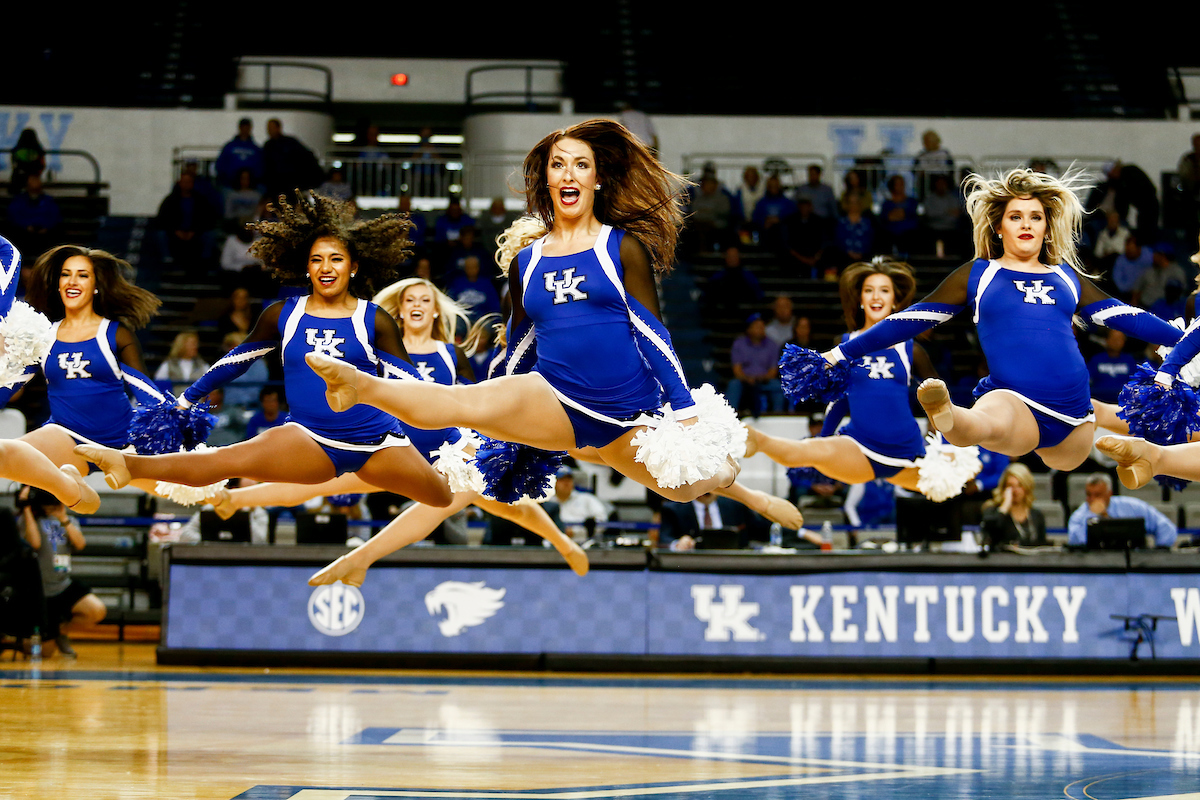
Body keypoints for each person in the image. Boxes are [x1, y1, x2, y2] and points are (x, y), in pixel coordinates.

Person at [301, 119, 741, 502]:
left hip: (627, 413)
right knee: (461, 401)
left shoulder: (619, 248)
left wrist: (684, 410)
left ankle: (727, 471)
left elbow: (651, 333)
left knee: (689, 486)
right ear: (547, 179)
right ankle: (360, 384)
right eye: (558, 164)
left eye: (581, 164)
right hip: (555, 396)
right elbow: (520, 346)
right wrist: (497, 415)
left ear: (597, 179)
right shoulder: (526, 263)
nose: (568, 173)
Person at [74, 192, 453, 512]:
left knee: (442, 496)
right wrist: (188, 399)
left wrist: (454, 430)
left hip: (379, 443)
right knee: (228, 458)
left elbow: (411, 385)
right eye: (317, 259)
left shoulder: (374, 319)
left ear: (353, 267)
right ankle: (130, 464)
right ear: (305, 267)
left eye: (336, 259)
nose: (326, 267)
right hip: (311, 438)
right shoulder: (282, 315)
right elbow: (237, 360)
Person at [220, 277, 589, 580]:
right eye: (409, 298)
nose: (417, 304)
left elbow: (472, 404)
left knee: (502, 503)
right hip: (394, 447)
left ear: (434, 309)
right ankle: (231, 499)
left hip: (450, 450)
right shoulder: (381, 347)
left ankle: (362, 558)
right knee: (320, 479)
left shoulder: (451, 353)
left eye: (425, 299)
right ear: (399, 307)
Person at [823, 168, 1183, 473]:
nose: (1026, 224)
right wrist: (840, 353)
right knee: (989, 421)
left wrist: (1184, 340)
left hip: (1075, 416)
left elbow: (1128, 317)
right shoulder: (979, 275)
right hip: (1016, 401)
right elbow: (909, 320)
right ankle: (946, 413)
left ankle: (1152, 441)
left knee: (1071, 454)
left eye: (1035, 217)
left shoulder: (1067, 277)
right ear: (998, 227)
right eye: (1015, 217)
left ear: (1047, 227)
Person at [0, 243, 170, 512]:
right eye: (66, 274)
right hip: (66, 437)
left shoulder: (114, 333)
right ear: (57, 284)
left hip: (123, 444)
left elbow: (144, 389)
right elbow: (10, 385)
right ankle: (70, 489)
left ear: (96, 285)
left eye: (82, 274)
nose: (72, 281)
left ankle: (228, 498)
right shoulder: (42, 334)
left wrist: (174, 423)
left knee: (196, 491)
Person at [747, 259, 939, 493]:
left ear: (895, 301)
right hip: (860, 448)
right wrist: (825, 437)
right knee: (809, 451)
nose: (876, 297)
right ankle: (757, 439)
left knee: (958, 482)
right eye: (869, 290)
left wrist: (937, 435)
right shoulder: (845, 343)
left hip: (907, 454)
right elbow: (841, 398)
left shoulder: (910, 348)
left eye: (884, 290)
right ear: (860, 300)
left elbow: (940, 398)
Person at [19, 487, 105, 658]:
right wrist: (26, 507)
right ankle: (35, 638)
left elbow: (80, 544)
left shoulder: (69, 520)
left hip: (63, 584)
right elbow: (33, 543)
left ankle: (60, 631)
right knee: (45, 653)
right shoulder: (28, 520)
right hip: (39, 591)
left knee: (96, 610)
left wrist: (63, 518)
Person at [1065, 473, 1175, 548]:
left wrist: (1158, 553)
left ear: (1109, 494)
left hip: (1136, 565)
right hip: (1096, 567)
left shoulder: (1132, 507)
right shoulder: (1078, 517)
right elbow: (1075, 543)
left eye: (1098, 495)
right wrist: (1096, 517)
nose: (1092, 499)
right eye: (1089, 495)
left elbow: (1166, 528)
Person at [155, 172, 219, 269]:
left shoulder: (201, 200)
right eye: (184, 182)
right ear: (179, 183)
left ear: (192, 183)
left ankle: (205, 260)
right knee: (160, 234)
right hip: (175, 233)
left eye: (188, 182)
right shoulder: (170, 200)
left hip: (196, 232)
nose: (186, 184)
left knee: (210, 235)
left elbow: (207, 219)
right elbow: (163, 219)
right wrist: (175, 231)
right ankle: (167, 259)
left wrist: (194, 231)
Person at [978, 463, 1047, 549]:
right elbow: (988, 535)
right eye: (1010, 486)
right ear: (1003, 488)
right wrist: (1004, 507)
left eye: (1020, 485)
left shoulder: (1037, 515)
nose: (1015, 491)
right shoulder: (992, 511)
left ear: (1027, 487)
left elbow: (1042, 546)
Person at [726, 313, 783, 416]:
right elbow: (737, 370)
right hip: (744, 380)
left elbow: (773, 371)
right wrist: (747, 379)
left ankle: (777, 415)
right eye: (756, 326)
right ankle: (730, 416)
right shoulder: (739, 344)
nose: (760, 329)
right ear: (749, 329)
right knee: (733, 384)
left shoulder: (772, 345)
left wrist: (760, 378)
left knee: (778, 387)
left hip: (764, 381)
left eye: (762, 326)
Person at [658, 490, 753, 551]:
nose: (707, 489)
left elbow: (758, 530)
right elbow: (664, 539)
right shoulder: (673, 509)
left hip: (732, 564)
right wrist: (678, 544)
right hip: (692, 565)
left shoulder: (736, 506)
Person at [261, 118, 323, 202]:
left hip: (291, 183)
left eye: (272, 128)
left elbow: (306, 157)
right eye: (268, 128)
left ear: (278, 128)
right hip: (275, 185)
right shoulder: (268, 146)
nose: (270, 131)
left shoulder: (290, 142)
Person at [544, 466, 610, 541]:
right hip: (551, 544)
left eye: (569, 479)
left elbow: (602, 521)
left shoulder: (587, 499)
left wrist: (576, 532)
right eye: (561, 479)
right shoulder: (546, 501)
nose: (566, 483)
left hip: (583, 543)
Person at [6, 174, 61, 259]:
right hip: (24, 233)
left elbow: (55, 216)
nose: (34, 192)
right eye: (32, 189)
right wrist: (26, 226)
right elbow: (13, 216)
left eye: (36, 189)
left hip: (45, 233)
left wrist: (46, 227)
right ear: (27, 187)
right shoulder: (19, 200)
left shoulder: (48, 201)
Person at [1087, 329, 1137, 405]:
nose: (1116, 342)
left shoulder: (1129, 361)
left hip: (1124, 402)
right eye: (1114, 339)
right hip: (1100, 401)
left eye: (1120, 339)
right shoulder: (1096, 360)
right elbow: (1088, 380)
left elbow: (1135, 382)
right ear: (1107, 340)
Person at [1132, 243, 1186, 309]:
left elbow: (1181, 292)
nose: (1153, 256)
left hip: (1166, 309)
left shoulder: (1176, 271)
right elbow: (1137, 288)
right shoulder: (1149, 270)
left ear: (1162, 255)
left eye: (1155, 254)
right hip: (1145, 306)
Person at [154, 331, 210, 395]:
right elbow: (159, 384)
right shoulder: (168, 365)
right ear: (182, 345)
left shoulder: (202, 365)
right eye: (192, 344)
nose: (195, 346)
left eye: (196, 344)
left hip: (197, 403)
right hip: (175, 402)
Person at [215, 118, 263, 190]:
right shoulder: (229, 147)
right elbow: (220, 165)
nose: (245, 129)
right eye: (243, 127)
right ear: (239, 128)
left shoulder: (256, 149)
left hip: (251, 188)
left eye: (247, 127)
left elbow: (261, 168)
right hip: (230, 186)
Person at [1110, 233, 1154, 299]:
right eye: (1127, 249)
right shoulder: (1120, 260)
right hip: (1128, 294)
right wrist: (1133, 291)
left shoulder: (1149, 255)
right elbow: (1119, 283)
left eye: (1131, 249)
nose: (1129, 252)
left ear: (1139, 248)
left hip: (1147, 292)